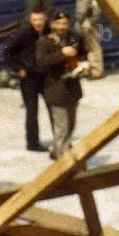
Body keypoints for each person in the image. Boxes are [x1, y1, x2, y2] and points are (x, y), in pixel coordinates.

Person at [36, 10, 86, 158]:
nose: (61, 26)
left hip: (73, 88)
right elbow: (42, 62)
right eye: (58, 23)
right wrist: (62, 53)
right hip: (56, 89)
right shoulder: (44, 42)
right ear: (52, 24)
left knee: (71, 125)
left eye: (64, 23)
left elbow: (83, 53)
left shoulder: (74, 38)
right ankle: (62, 161)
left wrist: (82, 64)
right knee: (61, 129)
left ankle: (59, 152)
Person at [3, 9, 49, 152]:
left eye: (40, 20)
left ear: (45, 20)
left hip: (46, 76)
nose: (38, 23)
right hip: (29, 77)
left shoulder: (48, 31)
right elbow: (7, 51)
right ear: (30, 20)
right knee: (32, 111)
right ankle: (32, 143)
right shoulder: (23, 33)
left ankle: (61, 140)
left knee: (54, 108)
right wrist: (18, 69)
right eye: (35, 20)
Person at [74, 0, 104, 79]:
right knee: (85, 48)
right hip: (80, 22)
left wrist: (90, 21)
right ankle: (87, 69)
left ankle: (97, 72)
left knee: (94, 48)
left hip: (90, 24)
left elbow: (97, 10)